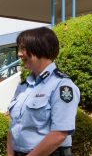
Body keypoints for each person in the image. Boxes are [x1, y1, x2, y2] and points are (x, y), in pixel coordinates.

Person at [7, 27, 80, 156]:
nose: (19, 54)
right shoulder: (23, 87)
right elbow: (13, 127)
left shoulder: (61, 85)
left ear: (40, 48)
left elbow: (59, 134)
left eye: (23, 48)